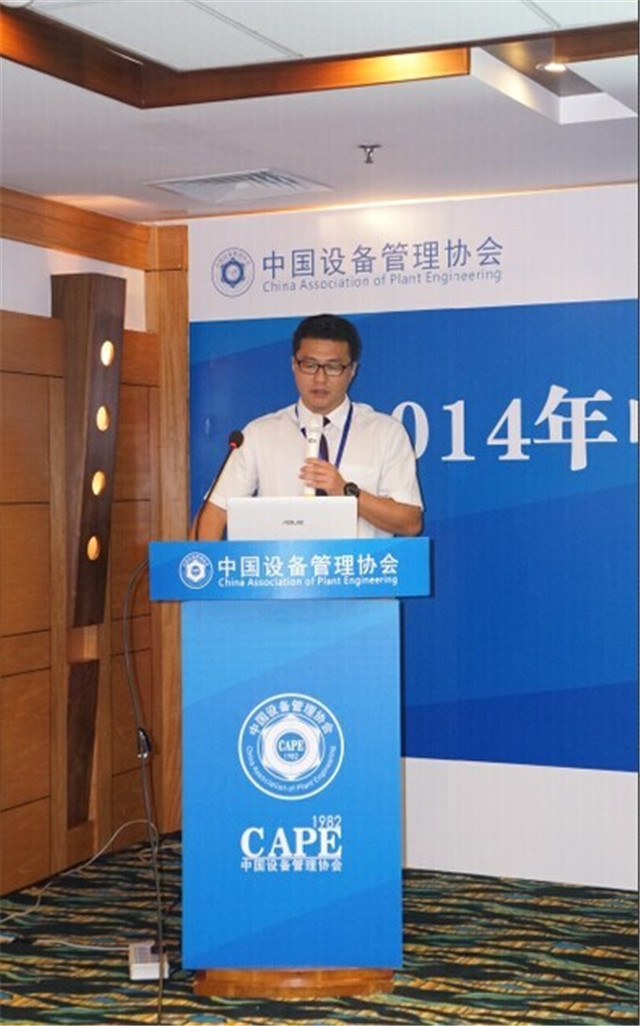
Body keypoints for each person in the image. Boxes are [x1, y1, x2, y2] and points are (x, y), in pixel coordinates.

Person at [194, 313, 423, 540]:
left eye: (333, 367)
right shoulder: (259, 434)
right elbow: (214, 512)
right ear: (294, 365)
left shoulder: (386, 433)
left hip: (359, 564)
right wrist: (203, 561)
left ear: (352, 370)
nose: (320, 378)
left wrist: (346, 491)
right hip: (284, 563)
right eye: (310, 365)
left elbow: (410, 522)